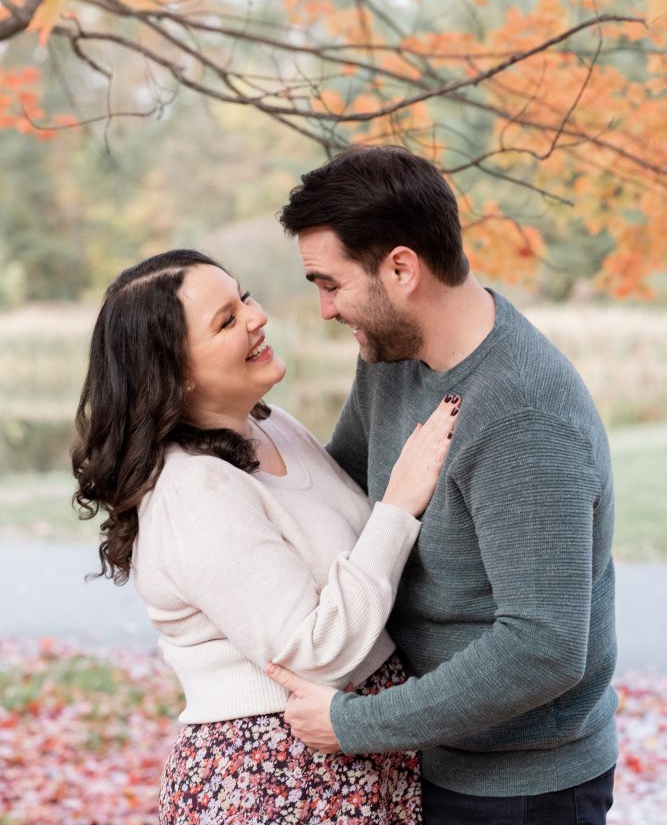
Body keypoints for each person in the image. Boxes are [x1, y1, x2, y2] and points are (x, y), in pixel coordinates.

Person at [269, 145, 618, 825]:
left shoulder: (522, 413)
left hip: (521, 789)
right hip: (427, 754)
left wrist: (354, 724)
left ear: (401, 269)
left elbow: (542, 648)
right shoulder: (395, 358)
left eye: (330, 284)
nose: (323, 310)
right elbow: (339, 492)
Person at [71, 248, 461, 825]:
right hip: (271, 775)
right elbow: (315, 654)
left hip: (349, 749)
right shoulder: (193, 492)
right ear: (176, 372)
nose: (257, 318)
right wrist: (400, 504)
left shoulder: (271, 426)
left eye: (244, 297)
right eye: (226, 321)